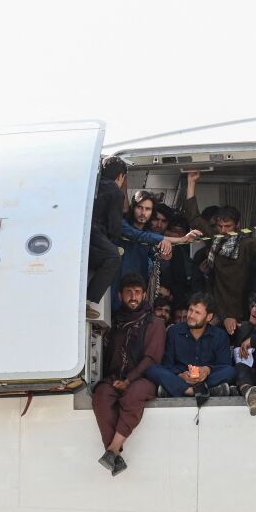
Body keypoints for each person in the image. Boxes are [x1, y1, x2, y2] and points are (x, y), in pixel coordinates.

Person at [92, 274, 166, 476]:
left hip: (144, 379)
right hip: (116, 377)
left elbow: (152, 358)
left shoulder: (155, 323)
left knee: (133, 395)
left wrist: (128, 380)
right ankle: (114, 456)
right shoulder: (114, 322)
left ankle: (113, 449)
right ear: (119, 295)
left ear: (144, 295)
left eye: (137, 293)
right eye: (128, 293)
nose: (133, 297)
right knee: (101, 395)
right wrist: (118, 380)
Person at [183, 171, 256, 337]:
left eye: (228, 226)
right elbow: (194, 217)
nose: (223, 231)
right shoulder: (214, 241)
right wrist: (191, 182)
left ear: (238, 225)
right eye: (219, 226)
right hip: (216, 312)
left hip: (241, 314)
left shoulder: (247, 245)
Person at [115, 191, 199, 306]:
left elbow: (152, 254)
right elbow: (140, 236)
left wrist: (163, 255)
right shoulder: (123, 225)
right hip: (118, 285)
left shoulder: (150, 235)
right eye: (140, 207)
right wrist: (181, 239)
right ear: (133, 208)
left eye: (148, 209)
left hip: (139, 289)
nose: (143, 213)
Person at [145, 292, 236, 398]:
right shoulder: (174, 332)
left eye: (197, 313)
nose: (191, 316)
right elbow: (167, 365)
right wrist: (181, 376)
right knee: (152, 369)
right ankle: (191, 391)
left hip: (207, 378)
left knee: (231, 371)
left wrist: (207, 370)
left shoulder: (220, 335)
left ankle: (176, 390)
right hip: (180, 378)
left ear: (209, 317)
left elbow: (225, 366)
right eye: (190, 310)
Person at [86, 156, 126, 318]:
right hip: (95, 233)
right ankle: (88, 301)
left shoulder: (91, 184)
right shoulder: (115, 191)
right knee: (113, 258)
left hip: (84, 235)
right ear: (121, 176)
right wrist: (115, 245)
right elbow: (114, 225)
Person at [231, 293, 256, 416]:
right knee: (237, 367)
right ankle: (249, 393)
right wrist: (226, 320)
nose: (255, 310)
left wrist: (255, 340)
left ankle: (252, 396)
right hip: (237, 377)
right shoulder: (243, 328)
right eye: (255, 306)